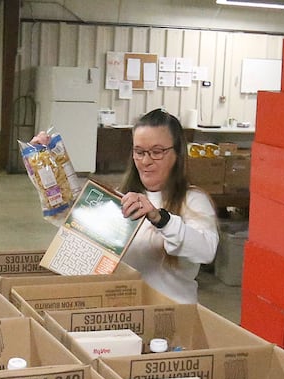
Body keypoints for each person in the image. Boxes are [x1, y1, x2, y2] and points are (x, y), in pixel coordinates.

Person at [33, 108, 218, 303]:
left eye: (157, 152)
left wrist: (161, 219)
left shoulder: (193, 200)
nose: (146, 161)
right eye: (139, 152)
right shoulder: (120, 199)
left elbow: (206, 251)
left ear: (178, 153)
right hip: (123, 315)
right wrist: (45, 170)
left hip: (171, 318)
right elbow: (73, 223)